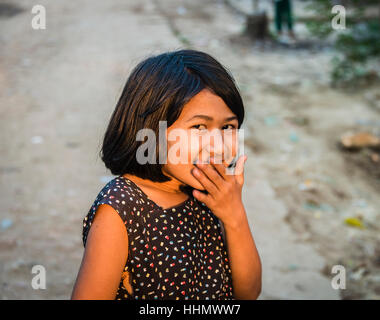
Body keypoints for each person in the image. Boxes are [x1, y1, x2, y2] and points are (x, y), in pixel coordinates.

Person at [71, 49, 262, 300]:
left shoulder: (209, 195)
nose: (218, 146)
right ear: (153, 131)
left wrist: (234, 215)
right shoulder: (123, 208)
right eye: (199, 127)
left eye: (228, 127)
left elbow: (247, 293)